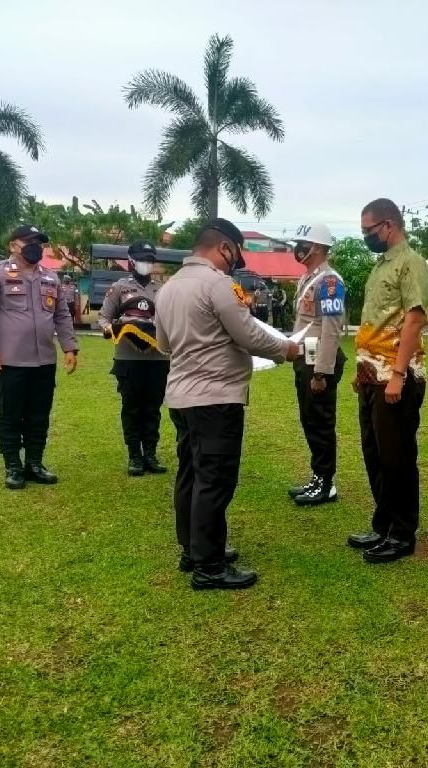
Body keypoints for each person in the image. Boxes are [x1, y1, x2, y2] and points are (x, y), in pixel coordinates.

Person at [156, 219, 299, 590]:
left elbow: (164, 344)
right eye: (236, 252)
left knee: (190, 472)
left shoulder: (169, 287)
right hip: (215, 398)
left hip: (183, 396)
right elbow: (248, 334)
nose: (235, 260)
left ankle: (193, 549)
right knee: (214, 481)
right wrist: (287, 349)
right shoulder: (219, 284)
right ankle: (209, 567)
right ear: (224, 248)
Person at [349, 198, 428, 564]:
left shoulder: (410, 264)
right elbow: (374, 324)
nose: (367, 236)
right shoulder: (380, 266)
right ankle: (383, 524)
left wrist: (397, 375)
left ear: (389, 225)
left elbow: (414, 320)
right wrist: (362, 369)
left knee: (396, 456)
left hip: (396, 375)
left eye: (369, 230)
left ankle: (401, 532)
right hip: (372, 375)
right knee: (375, 453)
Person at [0, 224, 79, 489]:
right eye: (29, 242)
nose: (36, 247)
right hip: (9, 361)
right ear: (13, 245)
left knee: (38, 415)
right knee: (9, 415)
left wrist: (69, 347)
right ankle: (13, 466)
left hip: (44, 361)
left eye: (39, 243)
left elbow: (62, 315)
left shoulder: (50, 278)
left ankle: (34, 463)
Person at [285, 223, 346, 506]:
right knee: (309, 420)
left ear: (319, 248)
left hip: (318, 362)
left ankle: (326, 483)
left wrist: (322, 371)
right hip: (304, 358)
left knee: (320, 422)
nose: (299, 248)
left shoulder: (330, 282)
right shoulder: (308, 278)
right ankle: (318, 476)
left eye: (304, 243)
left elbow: (331, 329)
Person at [98, 240, 171, 475]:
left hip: (158, 358)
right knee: (131, 407)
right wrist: (111, 329)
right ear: (130, 261)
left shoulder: (162, 289)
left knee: (153, 408)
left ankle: (150, 453)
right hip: (128, 359)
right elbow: (103, 317)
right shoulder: (118, 288)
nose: (146, 263)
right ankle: (134, 456)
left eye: (150, 259)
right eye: (142, 259)